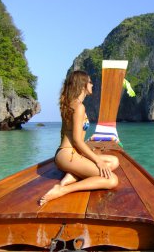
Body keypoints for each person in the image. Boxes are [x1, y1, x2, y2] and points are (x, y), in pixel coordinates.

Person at [40, 70, 119, 206]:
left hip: (69, 153)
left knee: (114, 161)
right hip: (68, 155)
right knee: (112, 180)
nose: (92, 85)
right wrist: (97, 161)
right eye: (90, 82)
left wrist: (92, 145)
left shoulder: (71, 103)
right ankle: (63, 189)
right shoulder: (79, 107)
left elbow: (74, 135)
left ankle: (69, 177)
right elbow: (76, 140)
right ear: (83, 85)